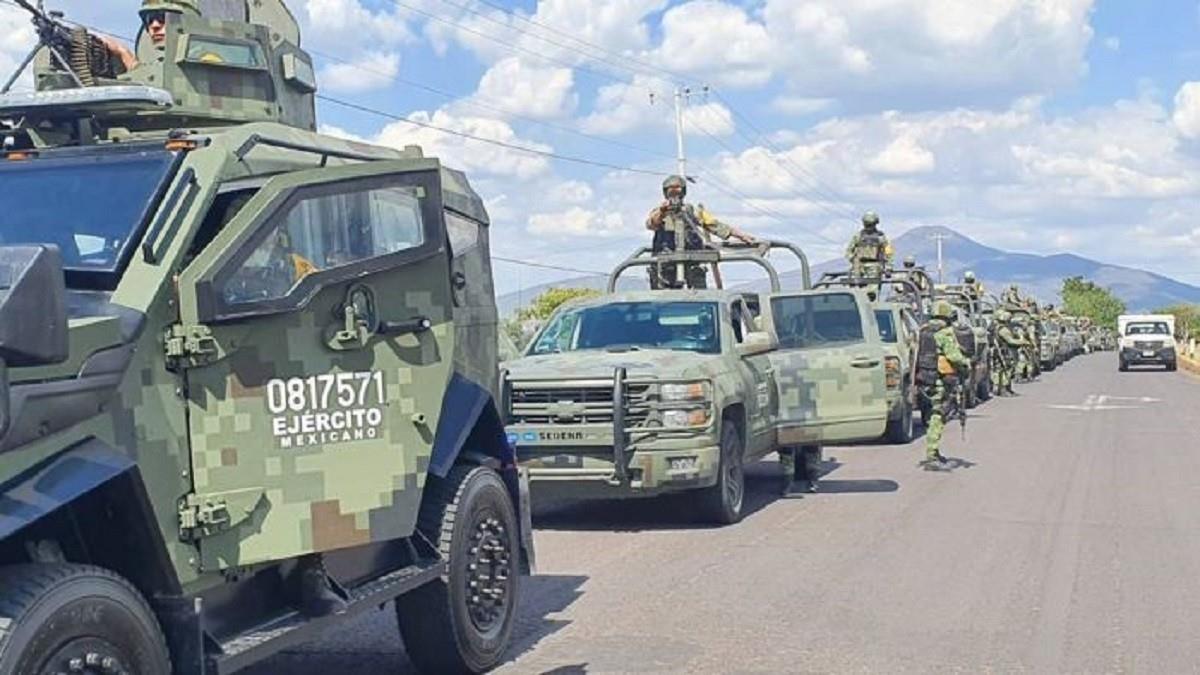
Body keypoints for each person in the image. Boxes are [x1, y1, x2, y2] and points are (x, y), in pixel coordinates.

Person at [646, 175, 757, 289]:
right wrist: (663, 211)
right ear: (665, 193)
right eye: (671, 192)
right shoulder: (659, 212)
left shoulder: (692, 211)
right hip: (666, 263)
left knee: (698, 291)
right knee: (664, 297)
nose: (675, 196)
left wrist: (741, 236)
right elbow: (651, 223)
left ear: (683, 192)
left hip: (691, 260)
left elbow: (714, 225)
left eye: (678, 191)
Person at [920, 300, 970, 469]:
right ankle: (931, 454)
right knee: (938, 415)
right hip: (941, 380)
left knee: (935, 413)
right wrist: (966, 363)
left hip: (926, 379)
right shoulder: (944, 333)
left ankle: (933, 452)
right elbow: (954, 356)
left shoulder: (923, 330)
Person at [98, 0, 201, 71]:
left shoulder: (203, 60)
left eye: (162, 17)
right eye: (149, 20)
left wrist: (125, 54)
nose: (154, 25)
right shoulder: (159, 63)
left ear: (188, 22)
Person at [845, 211, 894, 281]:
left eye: (870, 224)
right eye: (867, 224)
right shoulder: (858, 236)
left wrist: (889, 268)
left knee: (872, 290)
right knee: (856, 289)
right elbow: (849, 251)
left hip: (875, 267)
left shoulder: (881, 237)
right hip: (859, 268)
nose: (868, 227)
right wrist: (854, 261)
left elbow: (889, 253)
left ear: (875, 224)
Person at [992, 309, 1027, 396]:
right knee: (1005, 369)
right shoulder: (1003, 329)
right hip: (1004, 352)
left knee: (1008, 369)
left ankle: (1008, 388)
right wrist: (1022, 341)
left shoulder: (1002, 328)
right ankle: (1004, 389)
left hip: (1005, 351)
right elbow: (1010, 341)